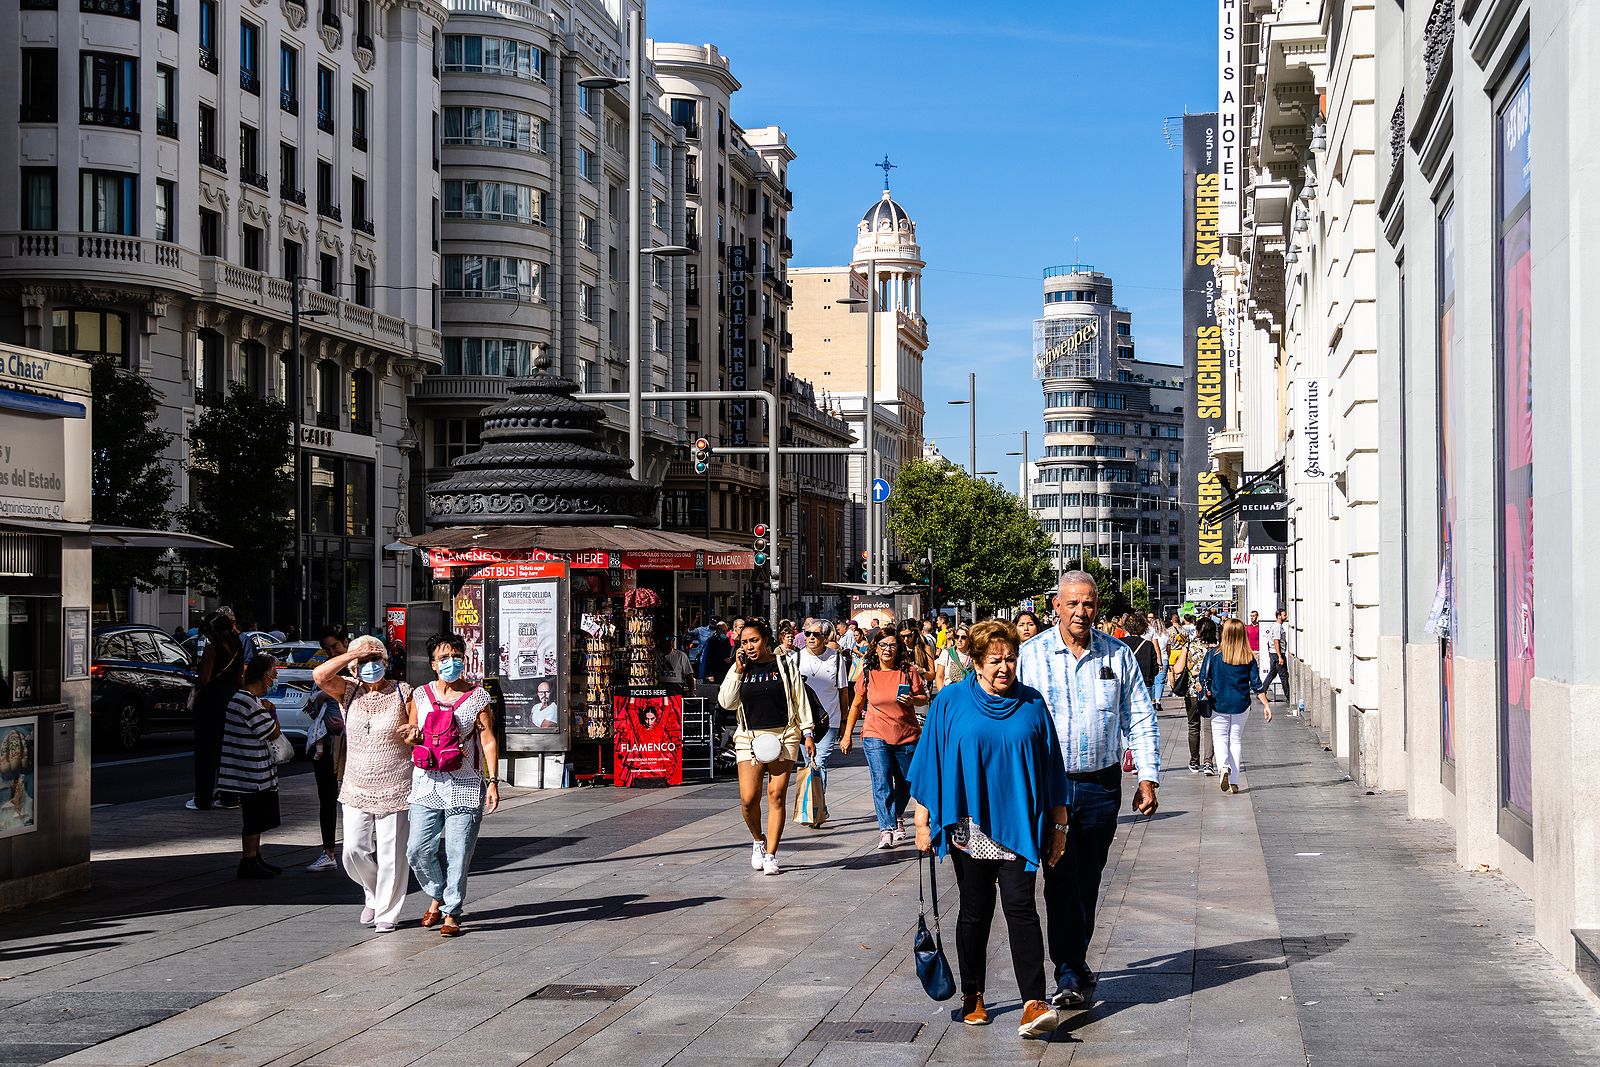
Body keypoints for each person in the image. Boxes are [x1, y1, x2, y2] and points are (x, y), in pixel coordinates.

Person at [908, 619, 1069, 1037]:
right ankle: (973, 997)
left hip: (1018, 826)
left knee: (1022, 910)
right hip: (968, 828)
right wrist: (922, 820)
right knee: (975, 912)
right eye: (995, 660)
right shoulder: (950, 702)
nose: (1004, 667)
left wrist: (1059, 826)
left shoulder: (1032, 704)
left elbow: (1053, 767)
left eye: (1010, 659)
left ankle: (1033, 1002)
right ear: (976, 662)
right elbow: (932, 760)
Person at [1018, 572, 1160, 1011]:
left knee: (1089, 877)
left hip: (1101, 785)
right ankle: (1067, 968)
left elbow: (1138, 715)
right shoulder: (1031, 655)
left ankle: (1074, 959)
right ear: (1056, 606)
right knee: (1060, 876)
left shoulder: (1117, 655)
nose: (1082, 612)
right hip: (1050, 787)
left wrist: (1148, 776)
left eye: (1089, 604)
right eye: (1073, 603)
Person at [311, 636, 414, 927]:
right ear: (354, 668)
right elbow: (320, 675)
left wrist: (412, 729)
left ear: (385, 662)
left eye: (375, 660)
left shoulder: (402, 691)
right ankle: (372, 892)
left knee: (392, 853)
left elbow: (414, 724)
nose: (371, 667)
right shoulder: (348, 691)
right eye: (364, 663)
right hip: (356, 783)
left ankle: (386, 913)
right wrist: (352, 654)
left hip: (395, 781)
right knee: (353, 850)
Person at [404, 633, 501, 937]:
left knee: (458, 852)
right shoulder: (421, 695)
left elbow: (487, 740)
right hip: (425, 785)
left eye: (456, 656)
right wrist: (410, 736)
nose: (451, 662)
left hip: (464, 784)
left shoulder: (477, 698)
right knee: (417, 849)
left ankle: (451, 912)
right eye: (444, 658)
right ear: (433, 664)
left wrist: (493, 781)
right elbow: (410, 733)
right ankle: (438, 893)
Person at [717, 620, 816, 875]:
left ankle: (771, 854)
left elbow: (799, 698)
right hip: (749, 738)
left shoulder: (784, 664)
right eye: (744, 642)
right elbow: (726, 702)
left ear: (766, 640)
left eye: (754, 640)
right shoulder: (741, 668)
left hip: (784, 735)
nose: (750, 646)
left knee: (776, 795)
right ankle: (758, 840)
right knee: (748, 799)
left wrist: (807, 733)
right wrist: (738, 670)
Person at [840, 623, 929, 849]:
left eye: (892, 645)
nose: (888, 649)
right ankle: (886, 828)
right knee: (881, 782)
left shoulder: (908, 671)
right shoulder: (868, 673)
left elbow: (923, 698)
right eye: (883, 645)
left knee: (908, 783)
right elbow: (856, 705)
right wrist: (847, 734)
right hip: (875, 733)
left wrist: (912, 700)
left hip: (906, 735)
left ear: (898, 648)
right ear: (875, 648)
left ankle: (896, 815)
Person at [217, 653, 283, 879]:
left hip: (255, 770)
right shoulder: (245, 701)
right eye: (273, 674)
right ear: (264, 676)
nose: (274, 679)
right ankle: (249, 859)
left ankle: (255, 856)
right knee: (254, 817)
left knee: (258, 816)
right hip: (249, 772)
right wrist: (271, 711)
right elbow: (271, 732)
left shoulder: (247, 700)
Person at [1202, 619, 1274, 794]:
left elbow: (1202, 677)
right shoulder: (1248, 657)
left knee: (1219, 738)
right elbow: (1257, 684)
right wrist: (1266, 705)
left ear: (1224, 634)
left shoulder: (1213, 655)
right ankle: (1234, 781)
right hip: (1241, 704)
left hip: (1219, 703)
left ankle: (1223, 767)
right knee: (1235, 740)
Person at [189, 611, 246, 811]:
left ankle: (202, 799)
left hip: (209, 702)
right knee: (227, 749)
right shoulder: (238, 648)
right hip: (231, 699)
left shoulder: (212, 649)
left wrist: (193, 678)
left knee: (206, 752)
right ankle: (229, 797)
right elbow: (240, 680)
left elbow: (204, 679)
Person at [797, 620, 849, 785]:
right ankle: (815, 806)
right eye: (808, 634)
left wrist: (844, 723)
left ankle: (815, 807)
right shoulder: (795, 659)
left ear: (825, 638)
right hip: (804, 721)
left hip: (829, 720)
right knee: (809, 763)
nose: (811, 637)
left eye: (816, 634)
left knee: (819, 761)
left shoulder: (836, 659)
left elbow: (843, 692)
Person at [302, 685, 344, 874]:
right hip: (326, 745)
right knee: (327, 798)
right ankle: (329, 853)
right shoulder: (321, 676)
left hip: (351, 745)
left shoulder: (357, 673)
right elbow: (313, 713)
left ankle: (359, 851)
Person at [1179, 619, 1219, 775]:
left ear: (1198, 631)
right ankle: (1208, 762)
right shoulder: (1217, 649)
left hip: (1192, 692)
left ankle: (1194, 761)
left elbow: (1178, 669)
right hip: (1211, 692)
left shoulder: (1190, 646)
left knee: (1193, 726)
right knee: (1209, 727)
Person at [1120, 614, 1159, 701]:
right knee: (1145, 712)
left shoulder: (1120, 644)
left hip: (1125, 683)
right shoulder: (1148, 645)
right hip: (1144, 683)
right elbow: (1154, 669)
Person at [1260, 608, 1291, 703]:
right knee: (1283, 675)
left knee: (1272, 673)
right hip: (1277, 653)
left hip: (1273, 653)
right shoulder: (1277, 627)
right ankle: (1288, 696)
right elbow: (1276, 641)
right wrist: (1280, 656)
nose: (1286, 617)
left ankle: (1262, 691)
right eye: (1284, 615)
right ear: (1279, 616)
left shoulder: (1277, 626)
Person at [934, 626, 973, 692]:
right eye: (957, 637)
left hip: (968, 693)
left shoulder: (973, 656)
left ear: (969, 640)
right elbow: (939, 676)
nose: (959, 640)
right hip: (950, 692)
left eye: (963, 637)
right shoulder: (947, 653)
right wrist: (942, 694)